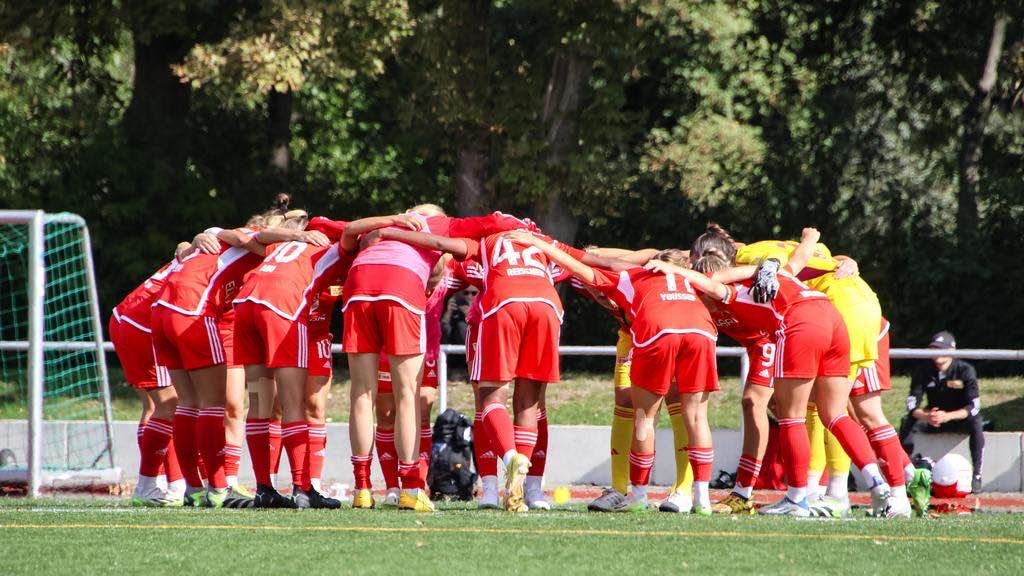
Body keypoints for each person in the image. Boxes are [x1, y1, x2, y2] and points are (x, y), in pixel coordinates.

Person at [899, 331, 985, 493]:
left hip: (958, 419)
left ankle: (977, 475)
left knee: (976, 421)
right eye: (934, 349)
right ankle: (904, 473)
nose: (937, 353)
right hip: (933, 419)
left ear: (952, 351)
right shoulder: (923, 370)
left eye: (941, 349)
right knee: (907, 421)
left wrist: (947, 416)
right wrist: (927, 416)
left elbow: (973, 406)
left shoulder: (965, 370)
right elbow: (911, 405)